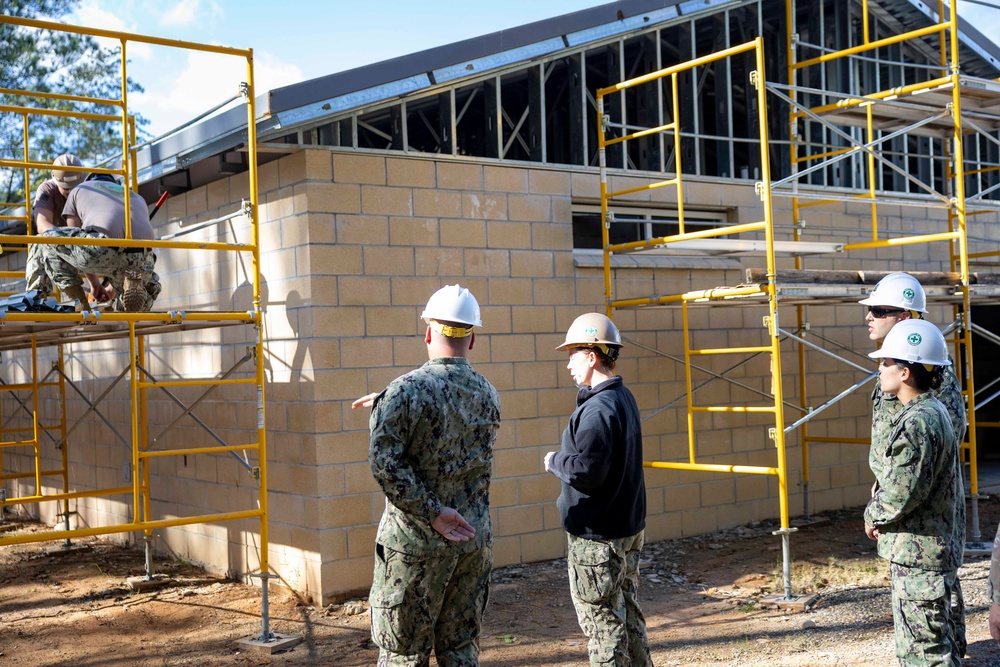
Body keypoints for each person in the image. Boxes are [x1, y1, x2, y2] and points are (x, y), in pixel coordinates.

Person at [361, 284, 501, 667]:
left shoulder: (405, 393)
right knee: (459, 651)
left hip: (415, 549)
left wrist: (433, 513)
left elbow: (385, 464)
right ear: (471, 338)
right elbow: (451, 417)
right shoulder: (488, 394)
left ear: (427, 332)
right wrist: (387, 401)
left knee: (404, 655)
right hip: (471, 543)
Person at [861, 271, 967, 655]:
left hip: (923, 520)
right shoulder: (896, 366)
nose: (869, 317)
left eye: (879, 310)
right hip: (906, 514)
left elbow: (937, 445)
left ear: (905, 317)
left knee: (930, 632)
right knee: (920, 627)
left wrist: (885, 502)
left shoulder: (925, 369)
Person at [544, 313, 651, 667]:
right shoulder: (623, 398)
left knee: (602, 624)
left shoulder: (597, 410)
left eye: (572, 354)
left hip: (598, 539)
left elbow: (587, 472)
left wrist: (553, 460)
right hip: (627, 529)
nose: (568, 364)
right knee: (628, 613)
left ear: (591, 356)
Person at [25, 175, 161, 313]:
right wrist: (112, 287)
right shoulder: (134, 195)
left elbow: (77, 240)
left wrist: (94, 285)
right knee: (146, 283)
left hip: (103, 250)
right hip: (144, 259)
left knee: (45, 239)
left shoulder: (79, 189)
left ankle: (79, 301)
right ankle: (127, 305)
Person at [31, 154, 88, 233]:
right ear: (56, 182)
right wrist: (67, 239)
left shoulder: (89, 189)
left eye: (75, 187)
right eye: (66, 188)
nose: (71, 192)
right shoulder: (47, 189)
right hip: (56, 241)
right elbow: (42, 225)